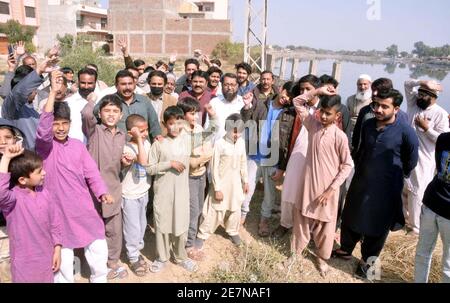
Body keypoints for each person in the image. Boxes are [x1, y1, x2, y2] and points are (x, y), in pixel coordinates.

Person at [334, 88, 419, 280]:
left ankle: (368, 262)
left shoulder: (406, 131)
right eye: (376, 105)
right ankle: (346, 249)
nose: (378, 109)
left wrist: (394, 174)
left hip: (387, 187)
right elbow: (361, 147)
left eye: (384, 106)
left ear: (396, 109)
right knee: (351, 213)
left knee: (378, 224)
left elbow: (411, 160)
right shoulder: (369, 124)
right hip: (361, 179)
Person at [36, 74, 113, 283]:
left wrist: (102, 192)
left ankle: (99, 278)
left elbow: (91, 173)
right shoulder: (44, 148)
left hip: (82, 208)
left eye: (64, 123)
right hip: (56, 211)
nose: (60, 128)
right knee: (63, 257)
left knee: (98, 246)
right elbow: (43, 131)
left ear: (71, 124)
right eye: (56, 124)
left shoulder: (78, 146)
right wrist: (52, 92)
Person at [290, 90, 353, 276]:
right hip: (308, 185)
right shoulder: (312, 124)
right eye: (322, 112)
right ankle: (295, 254)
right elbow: (297, 102)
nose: (324, 116)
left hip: (327, 192)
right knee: (301, 220)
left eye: (328, 113)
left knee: (325, 227)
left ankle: (321, 258)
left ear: (337, 115)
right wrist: (317, 91)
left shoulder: (339, 136)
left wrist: (331, 190)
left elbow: (348, 165)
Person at [139, 106, 198, 273]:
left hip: (181, 193)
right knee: (162, 225)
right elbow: (149, 169)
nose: (175, 127)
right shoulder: (159, 144)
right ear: (164, 124)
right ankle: (162, 257)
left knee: (180, 224)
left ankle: (181, 257)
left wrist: (213, 116)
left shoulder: (187, 140)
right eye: (170, 123)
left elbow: (208, 133)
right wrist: (169, 164)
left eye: (178, 123)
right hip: (163, 192)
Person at [240, 81, 297, 236]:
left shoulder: (290, 114)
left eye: (291, 98)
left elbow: (287, 143)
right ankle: (242, 215)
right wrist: (246, 107)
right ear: (281, 89)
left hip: (273, 158)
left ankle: (264, 220)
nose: (287, 99)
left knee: (270, 193)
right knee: (247, 187)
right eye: (287, 94)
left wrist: (282, 167)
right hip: (254, 154)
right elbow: (245, 119)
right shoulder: (261, 104)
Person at [82, 94, 128, 280]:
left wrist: (125, 163)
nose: (111, 115)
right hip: (91, 190)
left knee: (113, 228)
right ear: (99, 114)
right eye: (106, 110)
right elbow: (86, 113)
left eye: (115, 111)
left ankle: (112, 261)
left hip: (113, 188)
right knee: (93, 227)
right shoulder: (94, 131)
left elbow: (118, 165)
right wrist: (94, 98)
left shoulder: (122, 135)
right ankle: (94, 264)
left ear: (121, 115)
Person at [0, 146, 62, 283]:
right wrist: (6, 158)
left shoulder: (44, 193)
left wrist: (57, 248)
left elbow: (55, 223)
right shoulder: (12, 199)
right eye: (39, 171)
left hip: (46, 259)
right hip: (24, 265)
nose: (44, 173)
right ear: (22, 180)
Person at [195, 113, 249, 248]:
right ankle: (202, 234)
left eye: (239, 132)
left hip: (236, 183)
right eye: (234, 132)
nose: (236, 135)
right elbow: (213, 168)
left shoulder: (241, 143)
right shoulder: (220, 144)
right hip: (221, 183)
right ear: (227, 129)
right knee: (215, 209)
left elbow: (243, 162)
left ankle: (232, 231)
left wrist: (245, 181)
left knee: (235, 208)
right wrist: (217, 188)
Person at [403, 79, 448, 235]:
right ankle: (403, 219)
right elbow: (408, 84)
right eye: (419, 93)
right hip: (404, 153)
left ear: (433, 97)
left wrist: (427, 129)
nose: (419, 97)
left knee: (417, 190)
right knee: (402, 187)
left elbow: (442, 140)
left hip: (423, 158)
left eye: (424, 95)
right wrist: (423, 82)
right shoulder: (413, 104)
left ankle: (415, 227)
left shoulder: (440, 114)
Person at [178, 98, 218, 261]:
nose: (194, 117)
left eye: (196, 113)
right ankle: (188, 245)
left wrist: (213, 115)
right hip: (189, 177)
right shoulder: (181, 133)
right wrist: (205, 156)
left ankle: (190, 238)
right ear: (182, 115)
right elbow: (191, 162)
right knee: (193, 211)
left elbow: (212, 131)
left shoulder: (198, 128)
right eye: (191, 114)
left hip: (200, 175)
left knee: (199, 208)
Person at [1, 53, 59, 150]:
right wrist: (39, 70)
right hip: (20, 159)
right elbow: (18, 92)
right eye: (31, 88)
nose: (35, 91)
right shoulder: (13, 107)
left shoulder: (31, 110)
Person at [415, 132, 450, 283]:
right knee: (423, 252)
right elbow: (440, 169)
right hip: (432, 202)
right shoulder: (443, 139)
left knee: (448, 263)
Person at [120, 114, 152, 276]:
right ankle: (132, 256)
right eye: (141, 131)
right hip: (129, 194)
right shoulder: (126, 147)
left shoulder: (146, 142)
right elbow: (143, 162)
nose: (145, 133)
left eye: (146, 130)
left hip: (143, 191)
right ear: (130, 132)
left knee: (141, 223)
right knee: (132, 227)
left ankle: (137, 250)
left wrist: (142, 139)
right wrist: (138, 139)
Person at [94, 70, 162, 142]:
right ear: (116, 85)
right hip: (116, 147)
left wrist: (157, 138)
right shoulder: (108, 100)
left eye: (130, 84)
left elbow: (154, 124)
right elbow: (94, 117)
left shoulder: (144, 101)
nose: (127, 87)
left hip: (142, 147)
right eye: (123, 84)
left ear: (135, 85)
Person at [204, 73, 245, 144]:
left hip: (237, 149)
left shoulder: (243, 102)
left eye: (232, 85)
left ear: (237, 86)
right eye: (226, 85)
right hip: (216, 148)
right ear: (221, 86)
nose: (229, 88)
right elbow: (208, 126)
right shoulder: (214, 102)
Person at [65, 67, 98, 144]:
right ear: (78, 82)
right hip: (73, 148)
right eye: (83, 83)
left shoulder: (101, 102)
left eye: (90, 83)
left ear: (95, 83)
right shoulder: (68, 103)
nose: (86, 87)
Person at [346, 74, 373, 139]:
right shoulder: (350, 99)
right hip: (352, 131)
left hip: (367, 132)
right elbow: (346, 117)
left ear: (370, 84)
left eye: (365, 84)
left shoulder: (374, 100)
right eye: (360, 84)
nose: (362, 87)